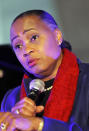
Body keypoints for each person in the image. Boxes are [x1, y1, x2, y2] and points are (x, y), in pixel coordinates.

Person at [0, 9, 89, 131]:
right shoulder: (11, 100)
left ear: (57, 36)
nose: (26, 50)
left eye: (33, 37)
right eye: (18, 46)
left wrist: (39, 125)